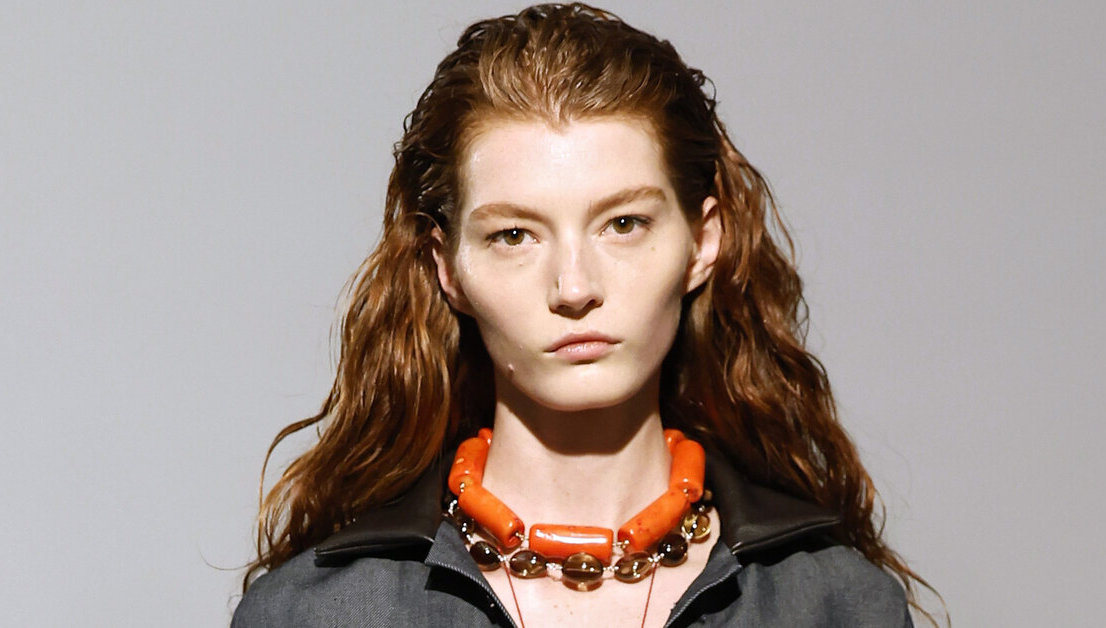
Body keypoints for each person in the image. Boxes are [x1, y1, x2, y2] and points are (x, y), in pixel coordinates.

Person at [233, 4, 941, 627]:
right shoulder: (316, 615)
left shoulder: (836, 606)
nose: (574, 288)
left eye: (623, 224)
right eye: (514, 235)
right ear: (448, 269)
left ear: (703, 243)